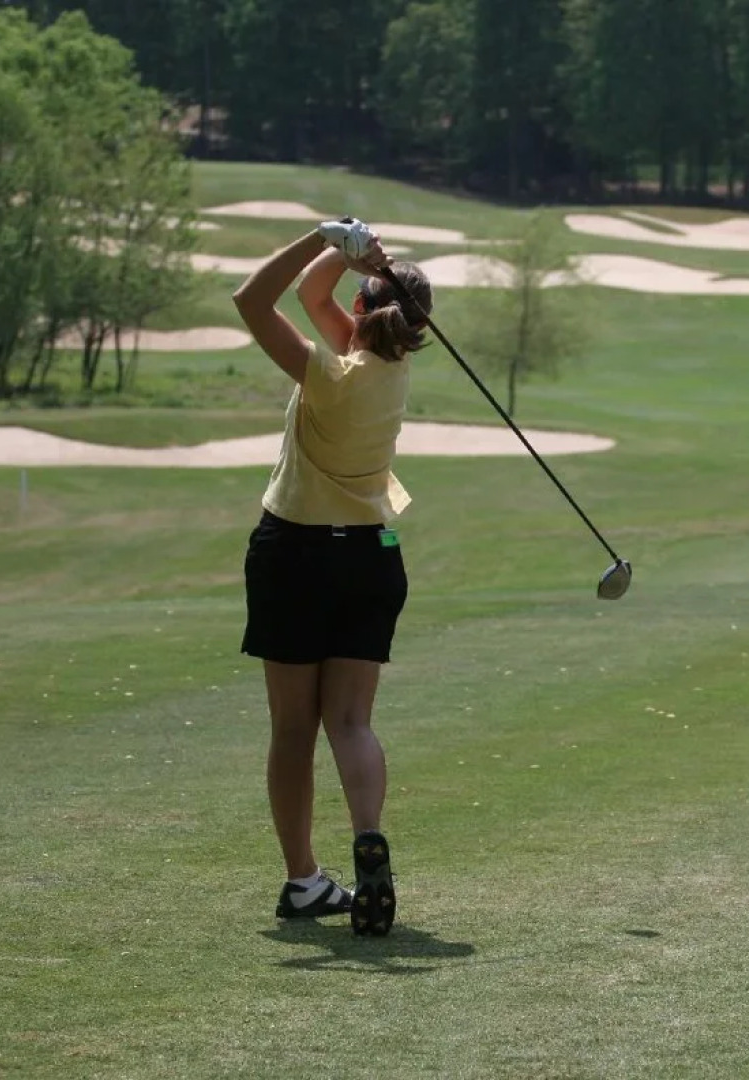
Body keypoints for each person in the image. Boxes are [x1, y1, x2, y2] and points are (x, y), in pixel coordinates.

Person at [230, 217, 435, 937]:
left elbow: (253, 301)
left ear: (359, 315)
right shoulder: (390, 370)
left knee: (293, 728)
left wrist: (322, 237)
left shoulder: (329, 372)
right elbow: (326, 300)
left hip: (294, 555)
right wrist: (352, 258)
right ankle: (368, 834)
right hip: (371, 560)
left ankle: (304, 883)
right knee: (350, 721)